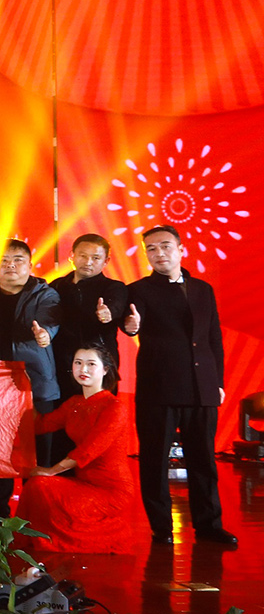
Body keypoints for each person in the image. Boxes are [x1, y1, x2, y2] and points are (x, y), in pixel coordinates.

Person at [122, 225, 236, 547]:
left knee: (204, 460)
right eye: (151, 249)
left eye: (165, 246)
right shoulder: (138, 290)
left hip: (202, 386)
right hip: (158, 387)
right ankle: (161, 527)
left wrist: (217, 381)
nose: (159, 253)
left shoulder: (202, 289)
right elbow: (131, 323)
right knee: (154, 461)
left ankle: (209, 525)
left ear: (181, 249)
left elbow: (213, 338)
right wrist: (131, 326)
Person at [18, 346, 146, 554]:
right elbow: (41, 424)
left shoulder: (114, 407)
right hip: (84, 482)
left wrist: (51, 471)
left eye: (91, 364)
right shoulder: (74, 403)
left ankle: (47, 540)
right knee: (36, 485)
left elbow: (88, 450)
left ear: (105, 370)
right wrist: (24, 393)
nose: (83, 369)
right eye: (78, 363)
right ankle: (31, 540)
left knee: (41, 483)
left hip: (111, 489)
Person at [0, 239, 60, 515]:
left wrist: (44, 334)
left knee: (39, 456)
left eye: (17, 260)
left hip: (37, 385)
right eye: (4, 261)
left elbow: (49, 320)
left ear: (30, 265)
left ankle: (36, 516)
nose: (10, 266)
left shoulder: (44, 293)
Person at [48, 234, 130, 393]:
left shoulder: (114, 287)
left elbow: (116, 307)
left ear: (106, 261)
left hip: (98, 365)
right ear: (72, 256)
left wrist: (108, 314)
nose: (88, 262)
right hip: (61, 364)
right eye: (83, 256)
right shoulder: (57, 286)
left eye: (95, 258)